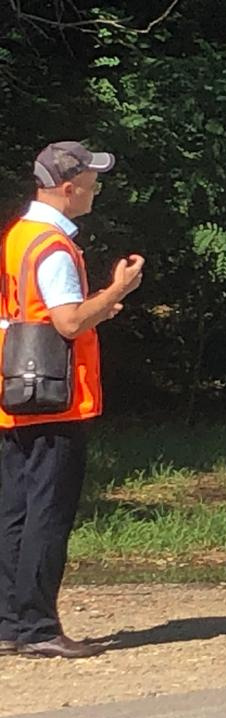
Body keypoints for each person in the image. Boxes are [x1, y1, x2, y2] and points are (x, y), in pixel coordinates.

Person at [0, 140, 144, 658]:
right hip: (55, 395)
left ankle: (10, 624)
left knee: (14, 510)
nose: (96, 188)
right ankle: (39, 629)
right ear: (68, 187)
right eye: (91, 180)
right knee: (47, 512)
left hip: (15, 390)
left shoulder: (19, 235)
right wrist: (114, 293)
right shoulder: (54, 246)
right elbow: (67, 321)